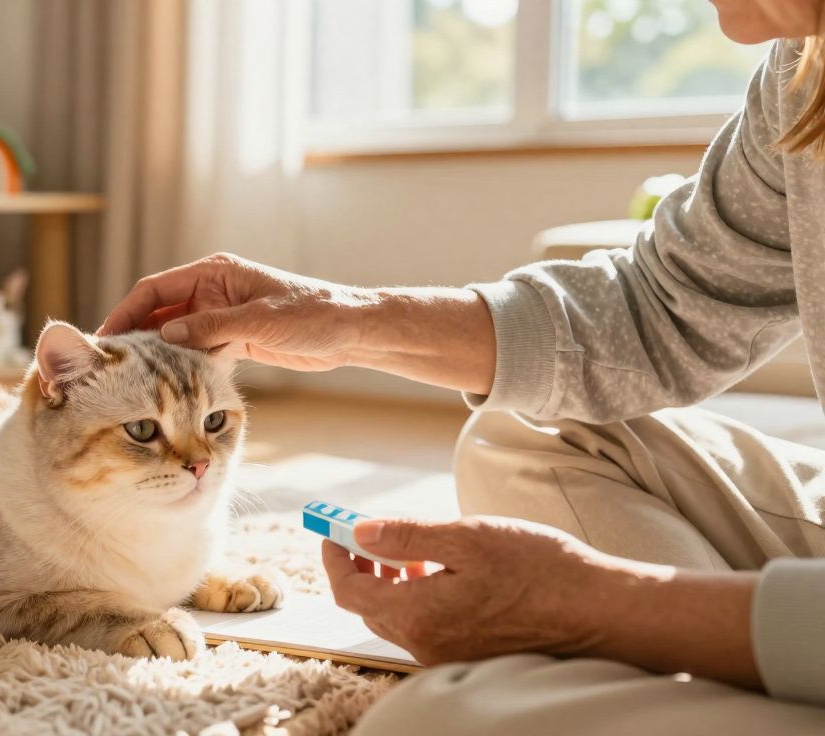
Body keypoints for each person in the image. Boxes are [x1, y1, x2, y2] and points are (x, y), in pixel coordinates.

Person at [98, 1, 825, 732]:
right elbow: (655, 310)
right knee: (526, 425)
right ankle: (748, 654)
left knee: (435, 718)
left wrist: (596, 608)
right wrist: (342, 317)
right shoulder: (803, 67)